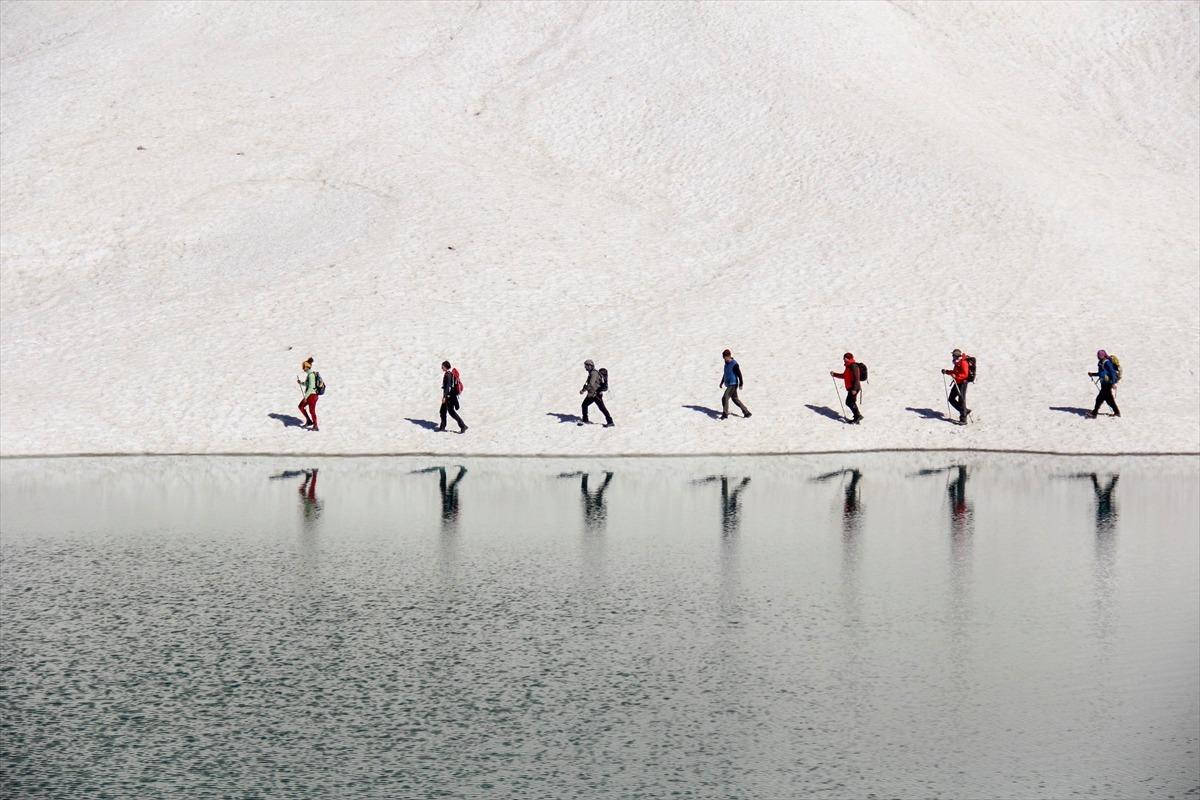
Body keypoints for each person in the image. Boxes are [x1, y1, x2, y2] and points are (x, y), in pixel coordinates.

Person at [830, 352, 863, 424]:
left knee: (849, 402)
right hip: (851, 388)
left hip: (854, 388)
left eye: (845, 358)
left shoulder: (853, 366)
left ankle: (858, 416)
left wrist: (854, 389)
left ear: (849, 359)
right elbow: (844, 376)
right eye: (844, 359)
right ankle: (857, 416)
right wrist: (834, 374)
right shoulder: (848, 367)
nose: (844, 360)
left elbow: (857, 378)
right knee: (850, 402)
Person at [1087, 349, 1121, 418]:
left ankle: (1094, 413)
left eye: (1099, 356)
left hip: (1108, 384)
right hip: (1104, 383)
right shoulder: (1101, 362)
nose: (1098, 357)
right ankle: (1117, 412)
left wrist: (1113, 383)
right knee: (1109, 400)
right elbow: (1101, 373)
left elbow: (1112, 373)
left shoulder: (1107, 362)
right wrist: (1093, 374)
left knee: (1099, 399)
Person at [719, 349, 752, 419]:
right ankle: (746, 412)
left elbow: (739, 374)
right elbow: (725, 373)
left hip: (733, 384)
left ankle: (725, 414)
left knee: (724, 398)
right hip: (729, 384)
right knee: (735, 399)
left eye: (725, 357)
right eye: (724, 358)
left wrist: (741, 383)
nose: (724, 359)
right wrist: (722, 382)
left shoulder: (734, 364)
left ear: (729, 356)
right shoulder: (726, 364)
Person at [579, 359, 613, 426]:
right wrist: (584, 389)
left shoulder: (594, 373)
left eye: (586, 366)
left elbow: (591, 384)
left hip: (596, 394)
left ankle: (610, 422)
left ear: (589, 366)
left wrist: (583, 390)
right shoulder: (591, 373)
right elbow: (588, 383)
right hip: (592, 394)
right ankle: (585, 420)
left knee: (602, 408)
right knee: (584, 405)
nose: (585, 367)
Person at [941, 348, 971, 425]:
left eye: (953, 355)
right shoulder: (957, 362)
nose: (952, 356)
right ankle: (965, 410)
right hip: (957, 382)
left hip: (963, 383)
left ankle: (963, 419)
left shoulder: (963, 362)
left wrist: (956, 376)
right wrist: (947, 371)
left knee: (961, 400)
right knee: (951, 398)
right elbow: (955, 372)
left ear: (956, 356)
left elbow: (965, 374)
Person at [438, 361, 467, 433]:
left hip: (449, 396)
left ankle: (463, 426)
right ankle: (442, 427)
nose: (441, 368)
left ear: (445, 367)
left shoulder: (448, 375)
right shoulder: (450, 374)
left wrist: (444, 397)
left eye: (442, 366)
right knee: (442, 411)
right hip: (449, 395)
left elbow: (447, 387)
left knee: (451, 412)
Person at [296, 357, 319, 431]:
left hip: (312, 395)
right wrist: (301, 383)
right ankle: (309, 421)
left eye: (304, 367)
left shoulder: (311, 375)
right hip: (310, 395)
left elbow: (311, 387)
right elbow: (308, 384)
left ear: (307, 367)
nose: (303, 369)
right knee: (301, 406)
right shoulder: (309, 375)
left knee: (312, 411)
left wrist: (305, 397)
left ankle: (315, 426)